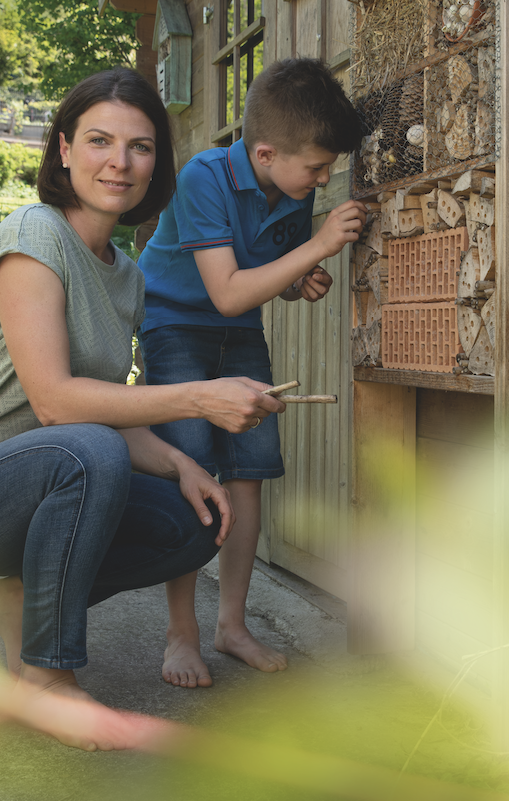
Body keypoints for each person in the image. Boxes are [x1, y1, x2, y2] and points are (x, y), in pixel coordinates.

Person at [0, 67, 286, 748]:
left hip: (43, 480)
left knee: (195, 518)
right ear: (63, 149)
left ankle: (16, 604)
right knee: (87, 448)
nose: (119, 163)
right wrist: (199, 398)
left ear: (157, 163)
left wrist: (182, 465)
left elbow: (99, 414)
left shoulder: (126, 274)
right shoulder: (34, 234)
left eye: (140, 147)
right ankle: (48, 676)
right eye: (99, 141)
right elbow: (58, 403)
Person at [137, 57, 370, 687]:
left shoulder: (293, 185)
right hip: (176, 329)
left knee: (248, 478)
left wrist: (299, 280)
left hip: (239, 336)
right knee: (191, 478)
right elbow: (228, 293)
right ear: (265, 153)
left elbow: (265, 274)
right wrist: (318, 246)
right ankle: (181, 633)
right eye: (317, 167)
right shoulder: (203, 177)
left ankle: (231, 626)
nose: (323, 179)